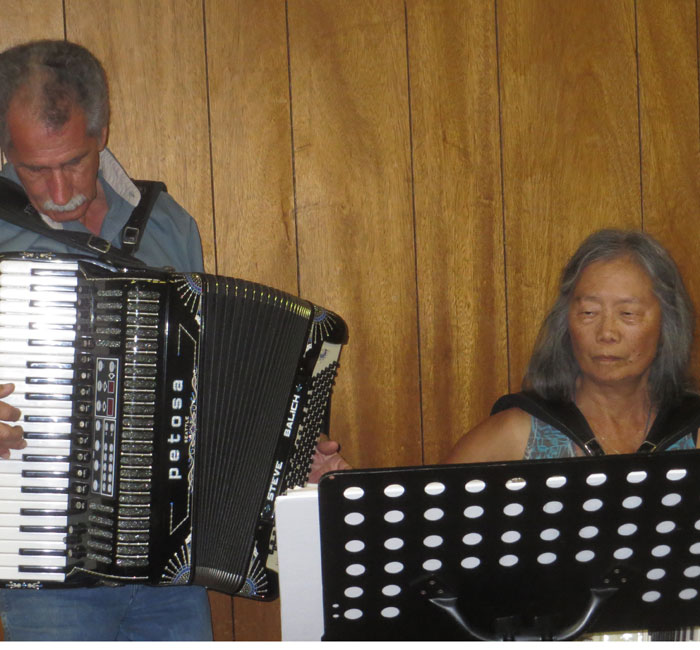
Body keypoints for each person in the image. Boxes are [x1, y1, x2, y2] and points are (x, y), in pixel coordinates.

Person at [0, 39, 347, 641]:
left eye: (74, 162)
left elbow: (209, 385)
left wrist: (285, 455)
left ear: (102, 132)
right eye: (35, 169)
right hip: (43, 563)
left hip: (169, 575)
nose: (58, 192)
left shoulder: (165, 223)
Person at [446, 229, 700, 465]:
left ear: (668, 323)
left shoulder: (693, 435)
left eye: (628, 313)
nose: (606, 333)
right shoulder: (516, 435)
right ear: (566, 323)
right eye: (589, 312)